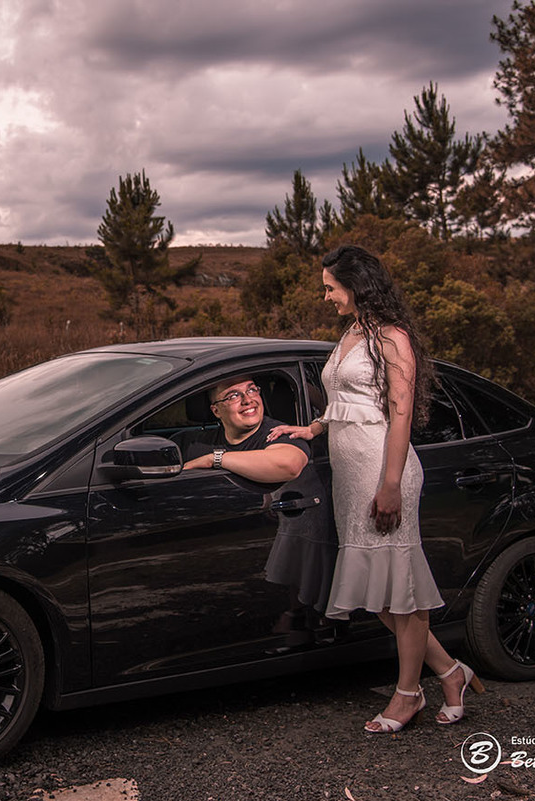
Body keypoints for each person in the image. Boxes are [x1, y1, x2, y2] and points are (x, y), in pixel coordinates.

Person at [267, 245, 483, 733]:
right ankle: (452, 673)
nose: (326, 296)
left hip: (384, 470)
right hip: (351, 474)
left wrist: (390, 484)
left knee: (401, 592)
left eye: (330, 287)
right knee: (383, 595)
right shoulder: (352, 332)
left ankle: (408, 695)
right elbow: (348, 400)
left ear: (357, 286)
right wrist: (312, 429)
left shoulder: (392, 337)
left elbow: (400, 414)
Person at [173, 375, 309, 483]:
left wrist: (214, 459)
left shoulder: (280, 432)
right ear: (216, 411)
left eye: (251, 390)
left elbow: (289, 465)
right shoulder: (190, 443)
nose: (248, 400)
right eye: (233, 396)